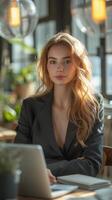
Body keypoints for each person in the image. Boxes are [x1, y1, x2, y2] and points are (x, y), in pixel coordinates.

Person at [15, 32, 104, 183]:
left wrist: (45, 170)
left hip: (80, 191)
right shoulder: (31, 106)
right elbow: (19, 157)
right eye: (53, 61)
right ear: (46, 66)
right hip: (40, 187)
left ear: (78, 64)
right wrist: (75, 164)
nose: (59, 68)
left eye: (67, 61)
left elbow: (92, 164)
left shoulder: (93, 103)